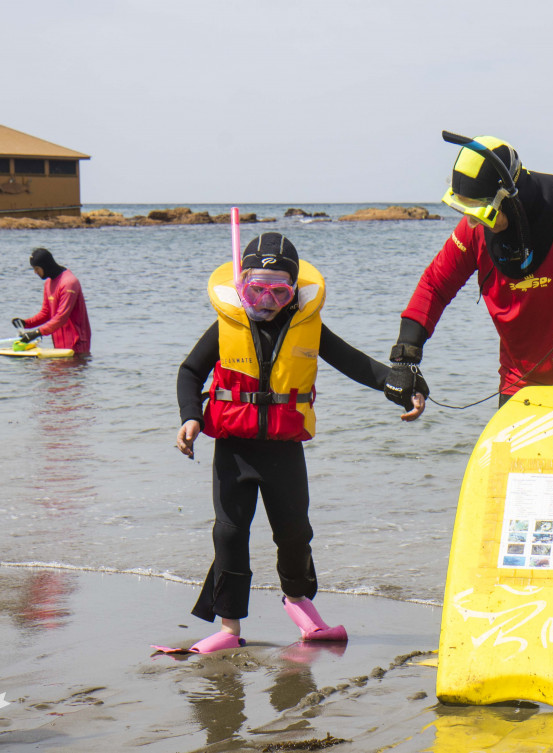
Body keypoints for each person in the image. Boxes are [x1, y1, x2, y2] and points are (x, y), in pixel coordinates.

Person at [173, 232, 427, 654]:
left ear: (293, 293)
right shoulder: (225, 326)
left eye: (278, 291)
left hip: (283, 451)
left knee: (294, 534)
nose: (266, 302)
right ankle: (229, 627)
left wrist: (400, 386)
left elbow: (356, 363)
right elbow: (189, 372)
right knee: (230, 535)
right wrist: (191, 418)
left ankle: (298, 603)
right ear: (241, 288)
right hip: (234, 451)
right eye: (255, 290)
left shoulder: (307, 328)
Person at [385, 132, 553, 410]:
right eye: (468, 212)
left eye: (484, 212)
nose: (477, 223)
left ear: (510, 196)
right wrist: (405, 358)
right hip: (524, 385)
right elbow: (435, 286)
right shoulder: (474, 229)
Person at [12, 247, 92, 354]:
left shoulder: (68, 283)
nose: (35, 272)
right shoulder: (49, 283)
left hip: (77, 344)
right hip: (60, 345)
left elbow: (61, 317)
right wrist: (26, 323)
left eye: (36, 268)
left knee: (72, 370)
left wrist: (37, 333)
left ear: (45, 265)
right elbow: (46, 313)